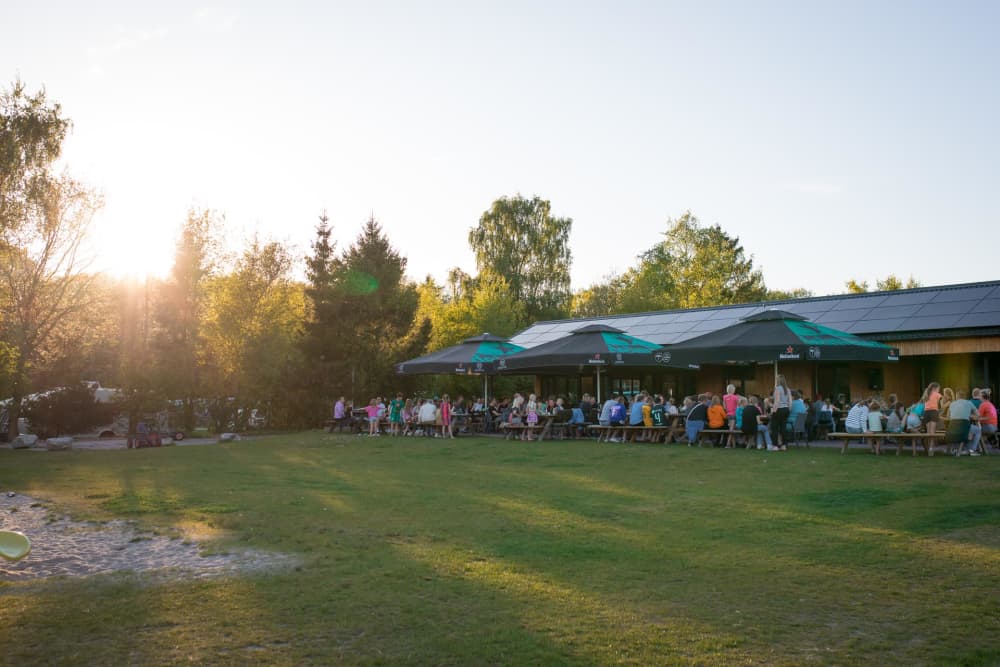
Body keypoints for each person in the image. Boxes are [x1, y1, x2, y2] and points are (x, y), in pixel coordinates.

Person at [947, 390, 978, 455]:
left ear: (957, 396)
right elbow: (977, 414)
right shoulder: (969, 403)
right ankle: (972, 450)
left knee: (968, 432)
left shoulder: (952, 403)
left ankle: (958, 449)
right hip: (964, 427)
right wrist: (969, 415)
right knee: (978, 430)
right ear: (964, 397)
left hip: (952, 428)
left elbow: (948, 416)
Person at [967, 389, 997, 454]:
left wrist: (969, 416)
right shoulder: (990, 404)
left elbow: (978, 417)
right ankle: (979, 449)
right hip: (994, 427)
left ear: (983, 397)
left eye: (980, 396)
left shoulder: (983, 404)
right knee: (976, 430)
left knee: (972, 430)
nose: (979, 397)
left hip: (988, 427)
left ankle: (972, 449)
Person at [771, 375, 792, 448]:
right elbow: (790, 402)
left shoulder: (777, 389)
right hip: (786, 409)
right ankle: (784, 445)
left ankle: (775, 446)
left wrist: (773, 411)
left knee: (774, 428)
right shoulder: (788, 389)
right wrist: (788, 410)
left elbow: (777, 401)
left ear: (778, 381)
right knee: (783, 428)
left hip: (779, 409)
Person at [921, 382, 942, 454]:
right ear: (934, 388)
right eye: (938, 389)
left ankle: (927, 449)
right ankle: (931, 449)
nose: (939, 390)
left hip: (926, 413)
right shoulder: (937, 394)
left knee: (928, 432)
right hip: (933, 412)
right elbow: (940, 404)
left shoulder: (926, 394)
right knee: (932, 432)